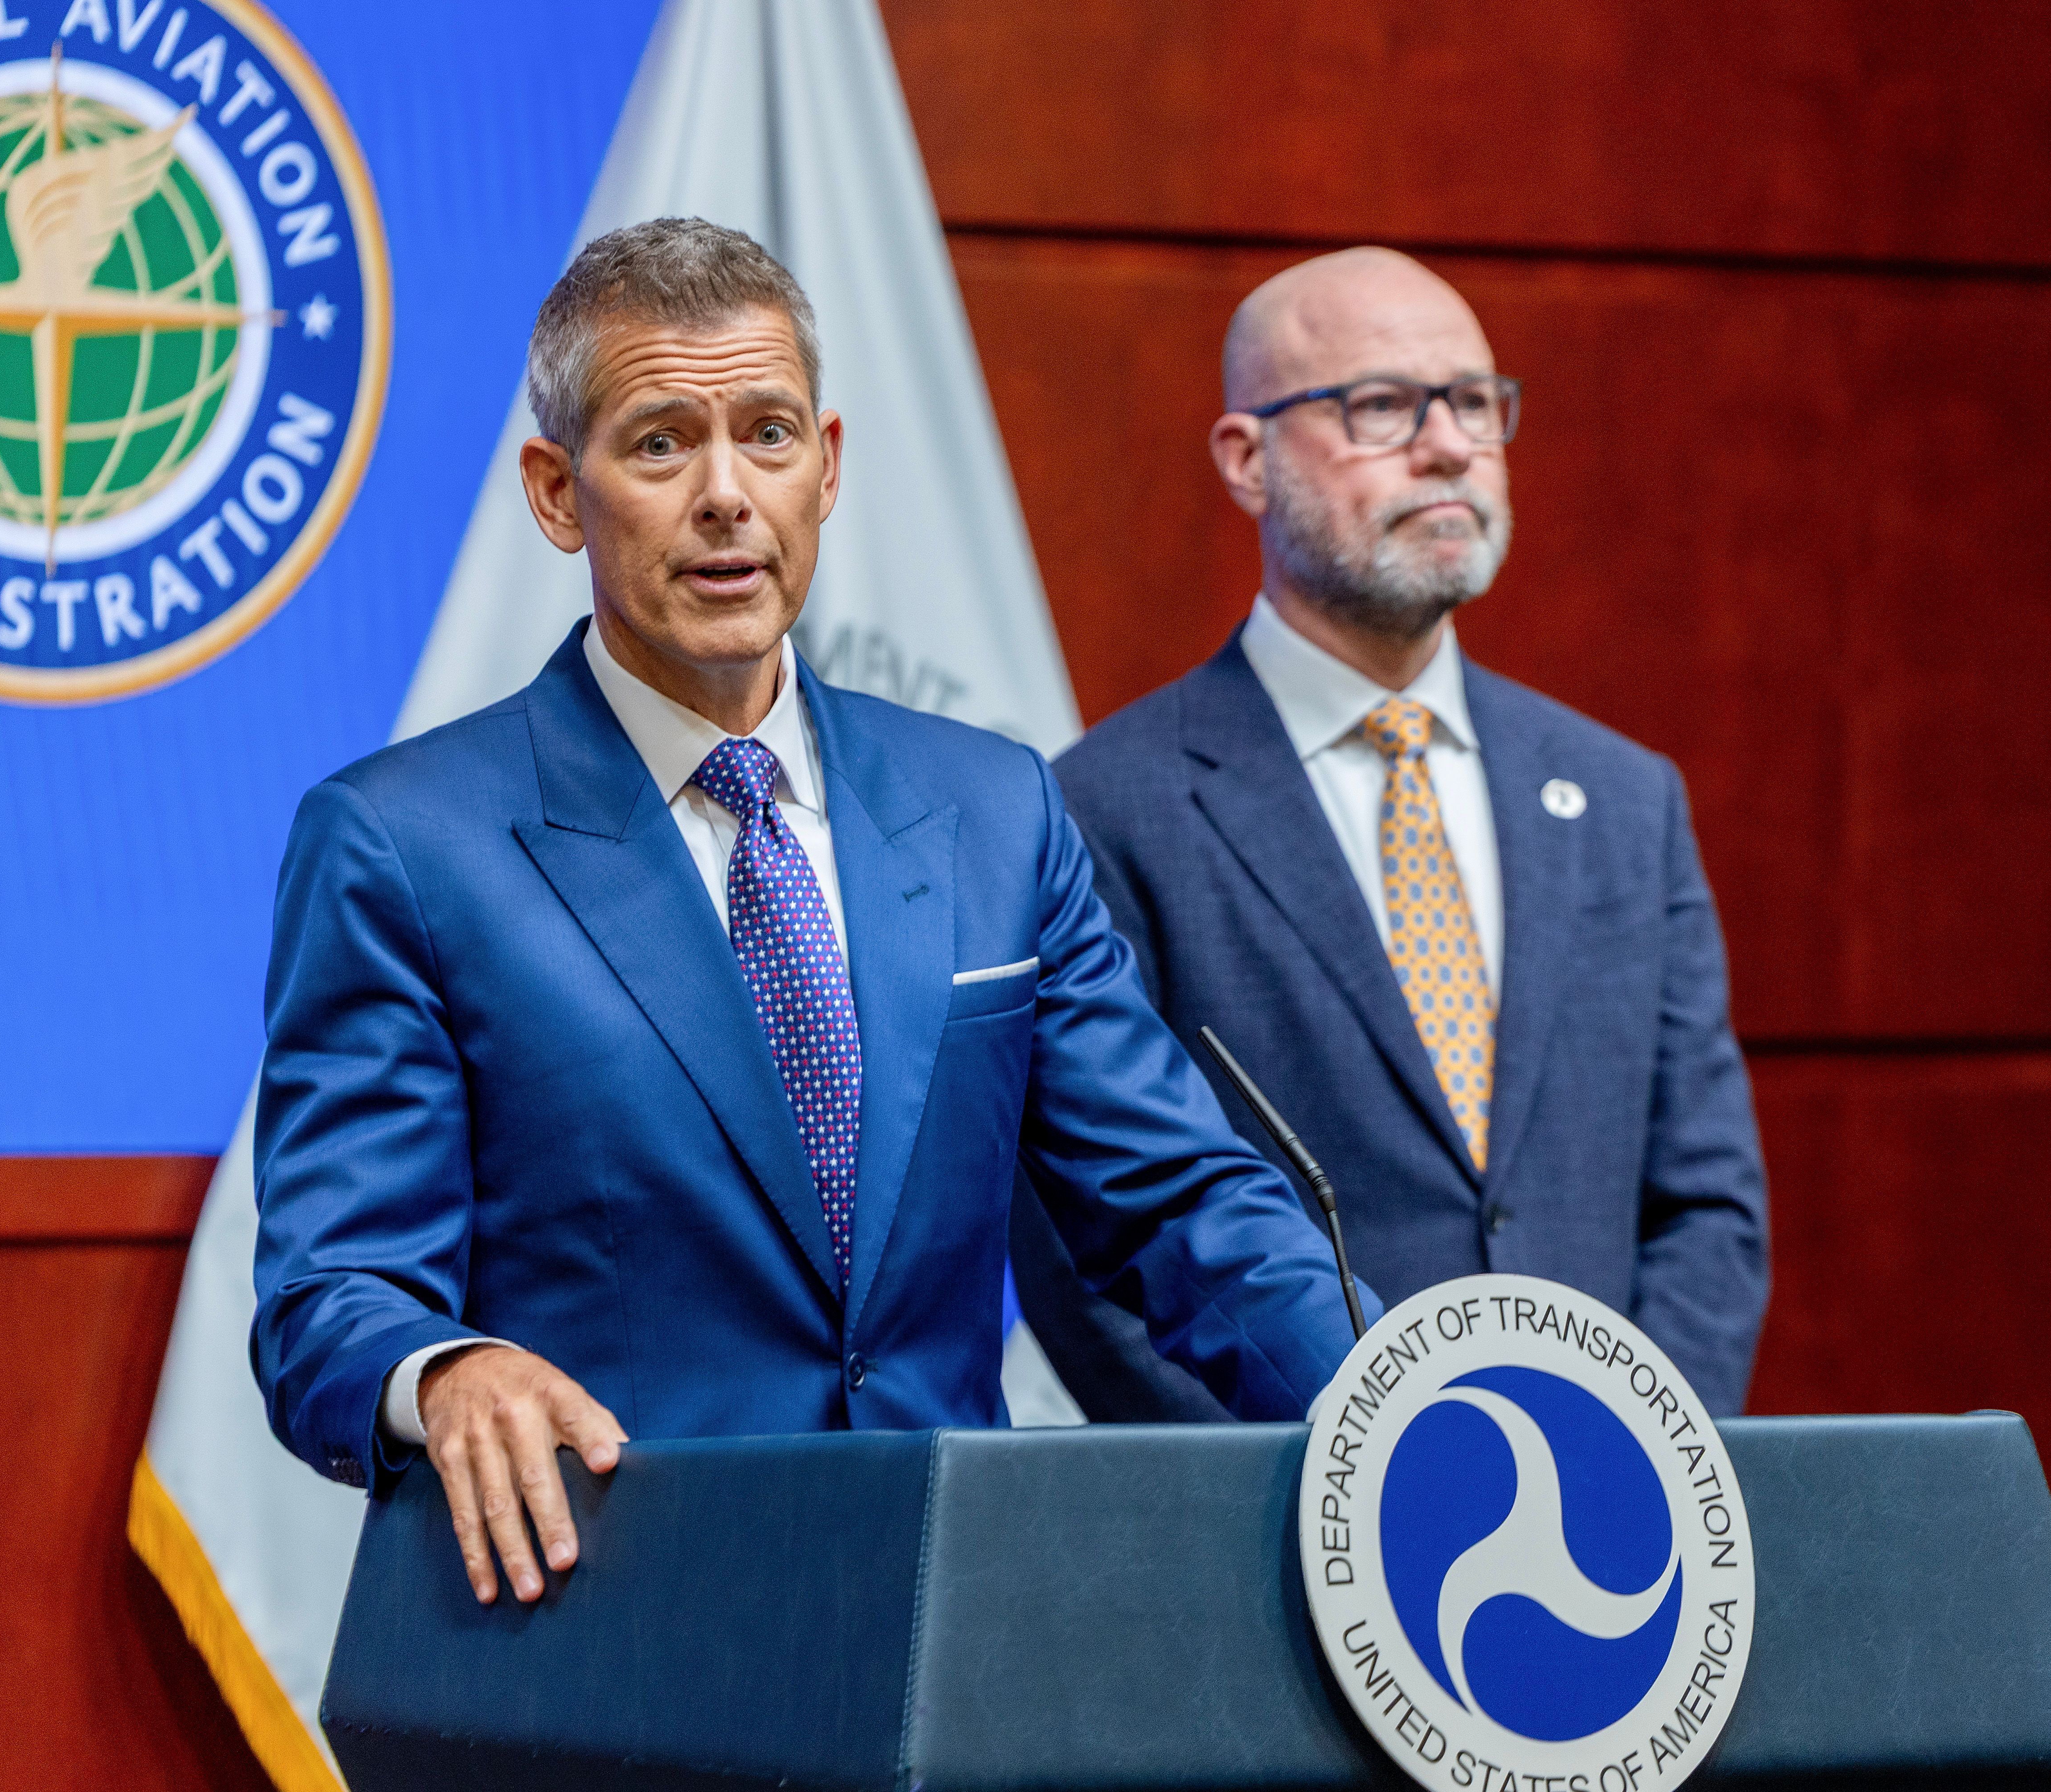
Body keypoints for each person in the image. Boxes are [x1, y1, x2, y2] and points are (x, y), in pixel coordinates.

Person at [250, 219, 1370, 1608]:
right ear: (555, 492)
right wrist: (449, 1371)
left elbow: (1179, 1204)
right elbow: (329, 1300)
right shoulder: (406, 847)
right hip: (614, 1643)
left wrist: (1406, 1402)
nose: (728, 494)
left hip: (950, 1638)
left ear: (826, 468)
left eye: (769, 435)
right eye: (662, 443)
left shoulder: (992, 810)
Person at [1009, 247, 1768, 1421]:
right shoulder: (1106, 809)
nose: (1450, 444)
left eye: (1473, 401)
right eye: (1381, 407)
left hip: (1615, 1532)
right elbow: (1083, 1260)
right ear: (1246, 461)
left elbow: (1705, 1204)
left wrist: (1646, 1460)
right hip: (1282, 1541)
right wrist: (1338, 1506)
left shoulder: (1624, 798)